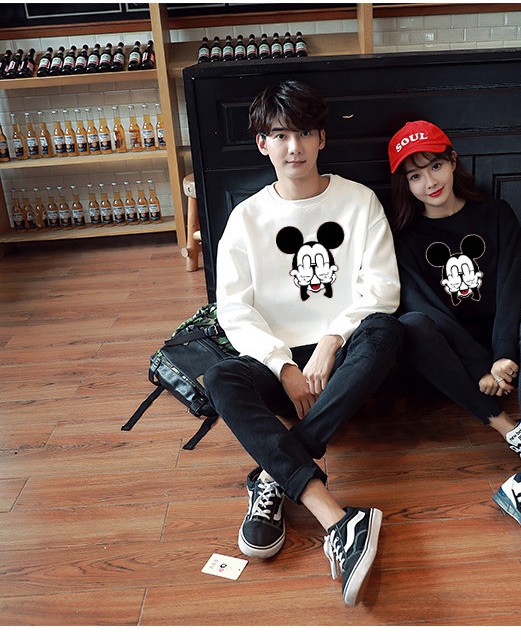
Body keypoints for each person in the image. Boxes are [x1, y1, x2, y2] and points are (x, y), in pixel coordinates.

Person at [204, 80, 402, 605]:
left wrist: (332, 339)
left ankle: (273, 475)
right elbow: (234, 309)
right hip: (279, 360)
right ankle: (332, 515)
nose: (294, 147)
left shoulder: (359, 202)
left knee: (386, 331)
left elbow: (383, 290)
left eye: (304, 133)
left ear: (321, 139)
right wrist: (283, 367)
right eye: (280, 135)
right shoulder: (246, 219)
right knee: (220, 376)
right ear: (262, 144)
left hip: (345, 357)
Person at [387, 120, 521, 554]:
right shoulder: (405, 238)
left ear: (453, 161)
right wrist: (480, 367)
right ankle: (513, 431)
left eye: (435, 166)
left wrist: (502, 356)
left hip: (502, 357)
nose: (429, 182)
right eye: (415, 176)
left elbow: (513, 287)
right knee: (412, 324)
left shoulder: (496, 214)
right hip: (449, 365)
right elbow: (426, 309)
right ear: (405, 184)